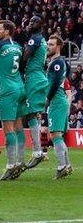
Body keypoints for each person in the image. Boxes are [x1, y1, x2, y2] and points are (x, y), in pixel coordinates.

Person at [0, 20, 27, 180]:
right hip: (20, 87)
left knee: (7, 127)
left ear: (8, 31)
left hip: (8, 90)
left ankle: (11, 166)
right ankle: (20, 161)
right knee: (18, 126)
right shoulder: (18, 47)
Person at [20, 16, 49, 169]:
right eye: (30, 21)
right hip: (36, 76)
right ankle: (38, 150)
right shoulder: (40, 39)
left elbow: (25, 57)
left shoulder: (36, 39)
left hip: (34, 77)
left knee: (31, 113)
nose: (30, 23)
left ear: (41, 25)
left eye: (34, 22)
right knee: (31, 113)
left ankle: (38, 152)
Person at [45, 35, 73, 179]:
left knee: (55, 135)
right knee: (58, 136)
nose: (48, 46)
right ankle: (67, 165)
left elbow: (56, 82)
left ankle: (62, 166)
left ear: (58, 47)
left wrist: (47, 99)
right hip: (59, 101)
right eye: (48, 44)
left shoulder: (57, 62)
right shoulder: (58, 63)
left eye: (51, 44)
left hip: (56, 101)